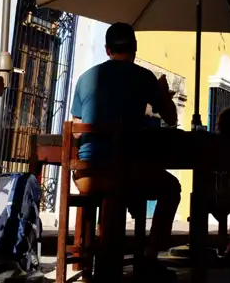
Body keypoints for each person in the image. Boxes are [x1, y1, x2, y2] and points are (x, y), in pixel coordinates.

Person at [70, 22, 180, 274]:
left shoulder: (86, 77)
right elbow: (172, 118)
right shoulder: (144, 78)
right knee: (171, 188)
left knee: (123, 182)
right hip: (124, 173)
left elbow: (76, 128)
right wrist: (162, 94)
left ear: (107, 49)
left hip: (85, 176)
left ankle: (89, 259)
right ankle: (150, 255)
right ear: (135, 48)